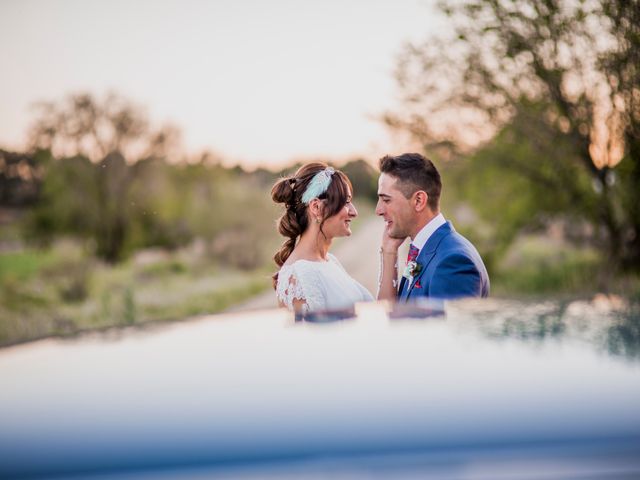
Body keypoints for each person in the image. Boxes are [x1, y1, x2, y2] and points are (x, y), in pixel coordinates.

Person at [376, 153, 489, 301]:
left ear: (418, 201)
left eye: (386, 200)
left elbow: (450, 325)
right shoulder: (426, 248)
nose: (378, 210)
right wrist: (389, 252)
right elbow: (392, 318)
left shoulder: (453, 262)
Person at [272, 163, 373, 314]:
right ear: (316, 208)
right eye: (345, 202)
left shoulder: (330, 261)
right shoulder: (299, 276)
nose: (354, 212)